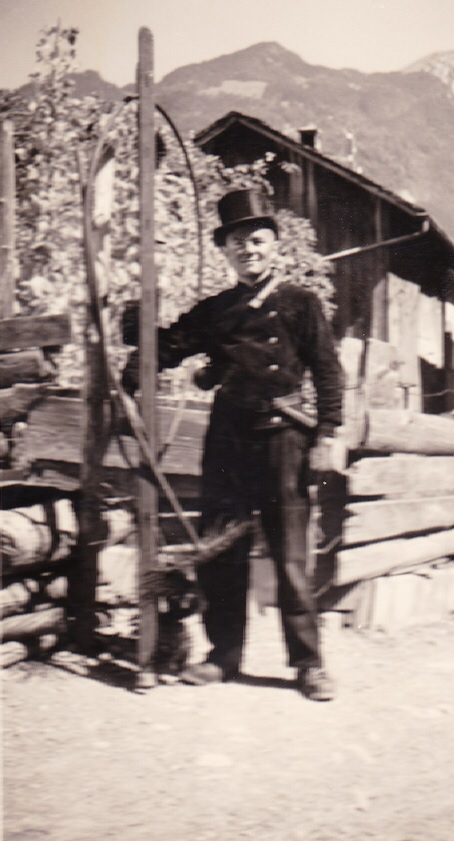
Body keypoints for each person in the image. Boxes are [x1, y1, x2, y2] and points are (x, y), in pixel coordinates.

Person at [122, 188, 343, 701]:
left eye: (257, 240)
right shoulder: (216, 311)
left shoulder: (300, 304)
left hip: (284, 441)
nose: (248, 250)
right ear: (225, 250)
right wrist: (134, 366)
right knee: (221, 552)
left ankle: (308, 664)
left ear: (274, 246)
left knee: (291, 557)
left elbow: (329, 371)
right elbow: (170, 345)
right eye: (238, 242)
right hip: (227, 445)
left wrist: (328, 433)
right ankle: (223, 656)